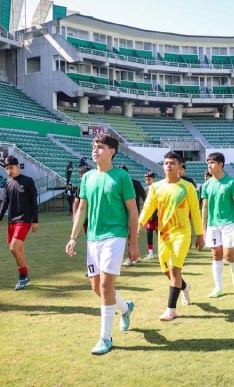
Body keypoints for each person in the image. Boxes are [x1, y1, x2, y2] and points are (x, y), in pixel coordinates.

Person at [65, 132, 139, 356]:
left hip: (115, 236)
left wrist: (133, 243)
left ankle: (105, 338)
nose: (95, 151)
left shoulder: (121, 177)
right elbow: (82, 210)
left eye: (100, 147)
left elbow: (133, 210)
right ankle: (126, 308)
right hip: (93, 239)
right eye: (93, 147)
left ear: (111, 151)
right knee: (97, 288)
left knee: (106, 287)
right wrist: (73, 237)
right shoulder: (87, 177)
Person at [139, 152, 204, 321]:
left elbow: (195, 213)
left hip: (182, 233)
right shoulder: (156, 187)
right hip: (164, 235)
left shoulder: (187, 187)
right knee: (167, 272)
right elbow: (147, 208)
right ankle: (185, 286)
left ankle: (171, 309)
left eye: (173, 163)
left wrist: (199, 235)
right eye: (166, 163)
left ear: (179, 167)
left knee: (175, 270)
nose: (169, 165)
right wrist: (139, 224)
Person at [201, 152, 234, 297]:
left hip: (229, 223)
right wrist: (203, 227)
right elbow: (204, 207)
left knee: (228, 254)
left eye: (212, 163)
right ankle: (218, 287)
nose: (209, 165)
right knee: (216, 254)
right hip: (213, 225)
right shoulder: (206, 185)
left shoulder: (231, 183)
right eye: (208, 163)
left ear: (221, 164)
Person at [0, 156, 39, 291]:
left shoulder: (28, 181)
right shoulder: (8, 183)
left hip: (24, 219)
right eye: (7, 169)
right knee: (19, 250)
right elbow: (5, 202)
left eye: (11, 168)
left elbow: (33, 202)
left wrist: (35, 221)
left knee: (13, 248)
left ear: (17, 166)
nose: (9, 171)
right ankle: (26, 278)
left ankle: (23, 276)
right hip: (11, 221)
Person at [120, 165, 147, 267]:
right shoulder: (118, 183)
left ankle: (131, 258)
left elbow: (145, 197)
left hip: (133, 213)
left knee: (132, 235)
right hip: (122, 213)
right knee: (126, 235)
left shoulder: (135, 183)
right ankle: (136, 256)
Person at [142, 171, 158, 260]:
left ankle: (164, 251)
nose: (147, 181)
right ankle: (150, 253)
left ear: (153, 179)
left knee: (160, 235)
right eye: (146, 179)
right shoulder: (145, 190)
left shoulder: (158, 189)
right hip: (149, 217)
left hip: (158, 216)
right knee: (149, 234)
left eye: (149, 179)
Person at [72, 165, 92, 236]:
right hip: (86, 217)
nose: (82, 179)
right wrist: (74, 215)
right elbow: (76, 202)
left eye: (83, 176)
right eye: (81, 177)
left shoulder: (97, 185)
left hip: (98, 216)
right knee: (89, 237)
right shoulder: (80, 188)